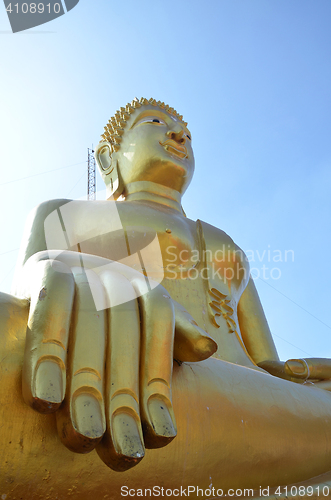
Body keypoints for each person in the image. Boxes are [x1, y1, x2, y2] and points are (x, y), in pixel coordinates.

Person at [1, 97, 331, 498]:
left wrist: (308, 378)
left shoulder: (228, 245)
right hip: (133, 373)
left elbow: (266, 364)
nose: (179, 134)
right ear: (109, 157)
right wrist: (81, 273)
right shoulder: (64, 213)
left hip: (257, 401)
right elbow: (33, 302)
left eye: (186, 131)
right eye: (155, 122)